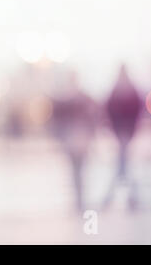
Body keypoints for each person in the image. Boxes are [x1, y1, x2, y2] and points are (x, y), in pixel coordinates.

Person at [52, 74, 97, 212]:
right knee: (78, 171)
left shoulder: (65, 99)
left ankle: (79, 199)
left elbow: (57, 121)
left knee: (77, 170)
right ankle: (80, 199)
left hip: (75, 139)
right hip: (76, 139)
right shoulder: (79, 98)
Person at [102, 65, 141, 210]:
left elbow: (109, 110)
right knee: (124, 165)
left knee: (122, 166)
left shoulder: (117, 90)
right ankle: (132, 197)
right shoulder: (128, 89)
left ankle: (110, 198)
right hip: (124, 131)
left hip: (122, 131)